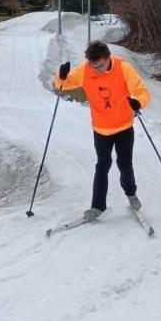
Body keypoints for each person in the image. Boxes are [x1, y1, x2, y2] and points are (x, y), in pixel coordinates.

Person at [54, 41, 152, 220]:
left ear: (108, 58)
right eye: (94, 66)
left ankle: (131, 193)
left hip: (124, 126)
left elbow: (142, 91)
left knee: (124, 164)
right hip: (101, 128)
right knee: (102, 165)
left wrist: (138, 103)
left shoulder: (123, 68)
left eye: (100, 65)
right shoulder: (85, 70)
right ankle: (97, 206)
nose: (97, 69)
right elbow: (63, 85)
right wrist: (61, 76)